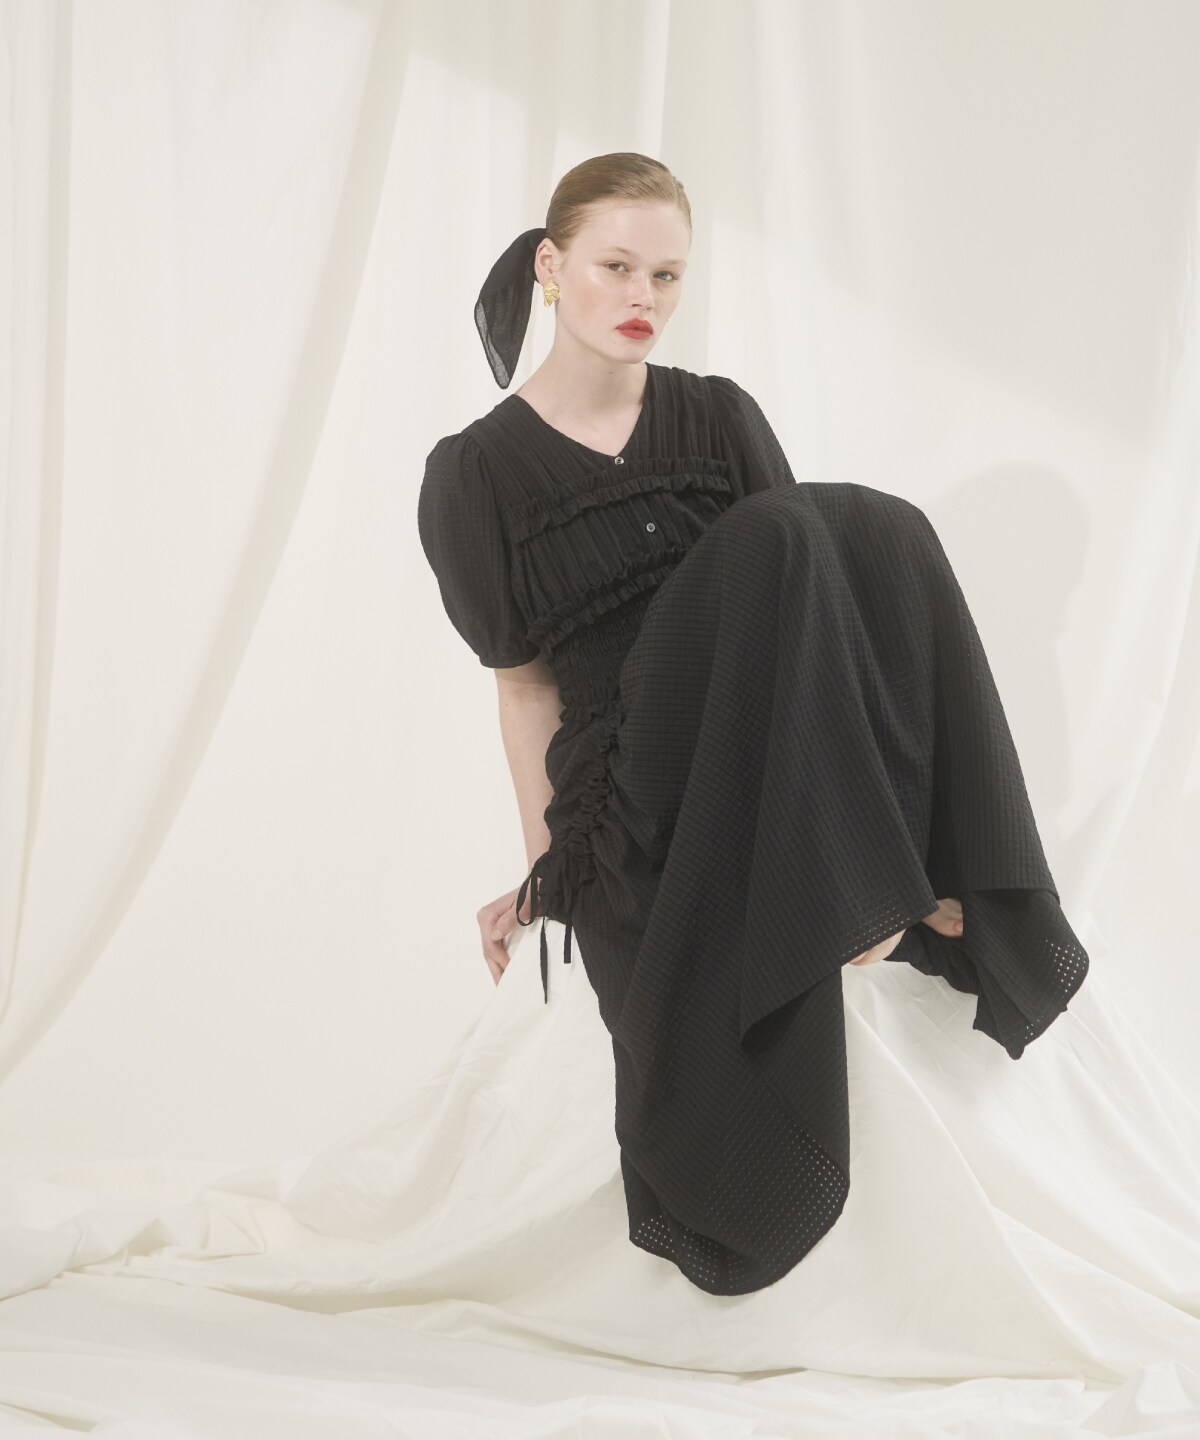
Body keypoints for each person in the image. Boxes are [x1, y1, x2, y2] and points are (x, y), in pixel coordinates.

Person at [417, 152, 1093, 1297]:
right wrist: (550, 872)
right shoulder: (473, 474)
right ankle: (860, 881)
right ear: (550, 267)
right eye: (616, 267)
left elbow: (807, 619)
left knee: (875, 529)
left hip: (749, 737)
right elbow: (524, 690)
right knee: (784, 536)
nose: (644, 296)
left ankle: (902, 877)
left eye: (667, 275)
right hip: (628, 773)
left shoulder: (718, 414)